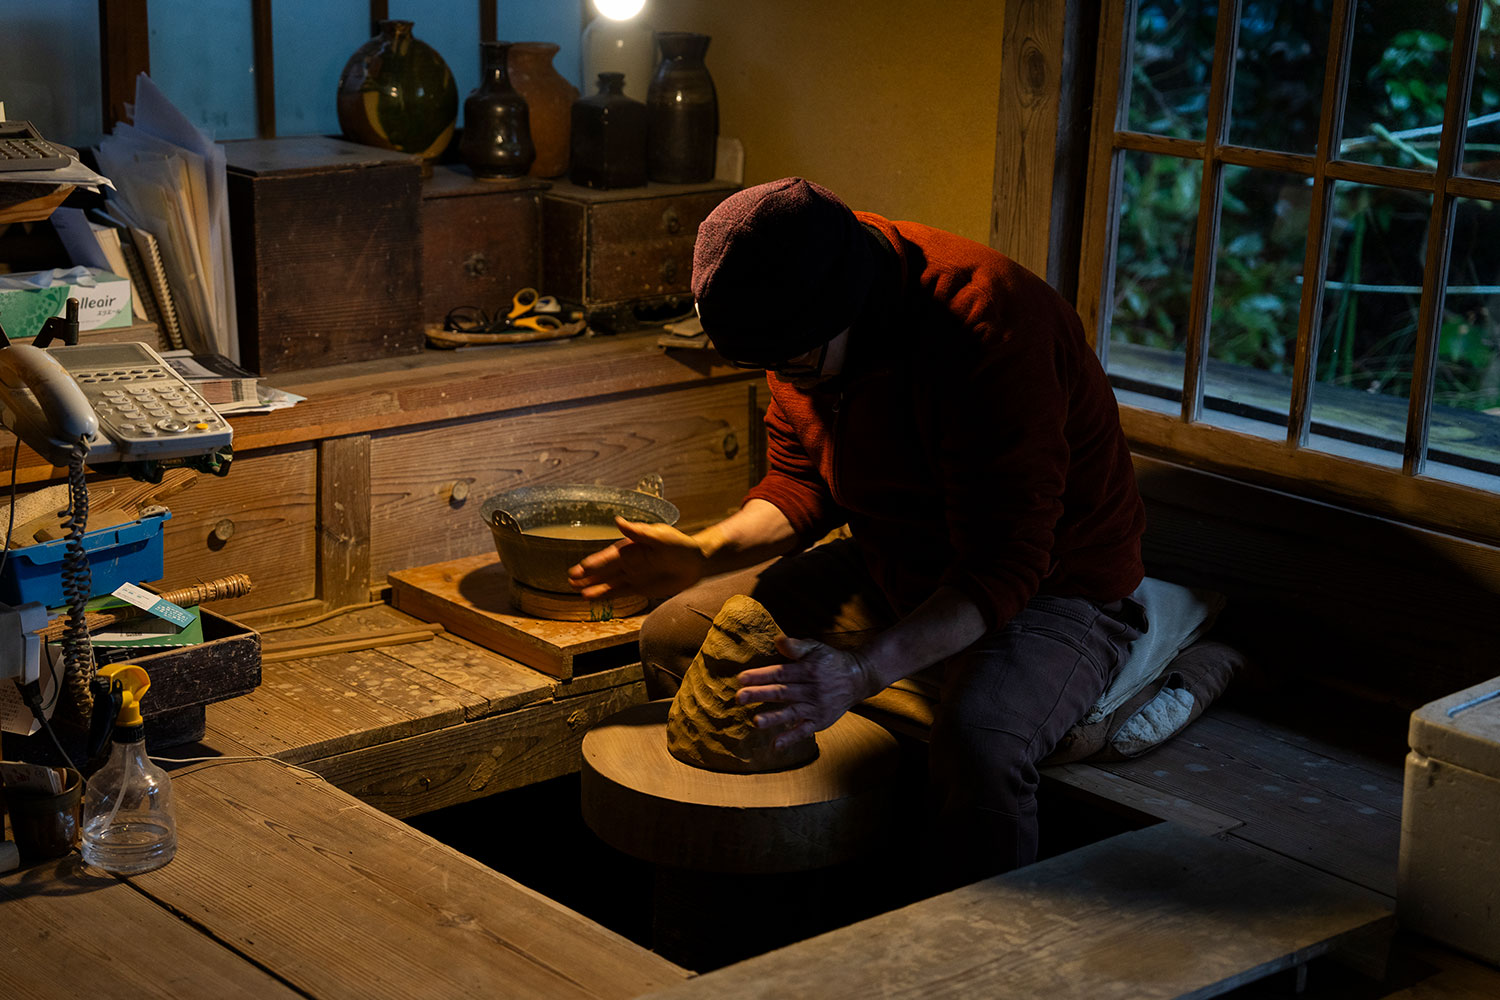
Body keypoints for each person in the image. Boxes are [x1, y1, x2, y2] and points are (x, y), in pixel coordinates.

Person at [568, 177, 1147, 886]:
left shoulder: (989, 330)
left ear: (852, 307)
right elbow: (803, 485)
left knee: (980, 746)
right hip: (892, 555)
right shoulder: (799, 309)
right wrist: (702, 553)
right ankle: (751, 871)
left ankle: (986, 958)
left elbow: (1002, 567)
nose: (787, 380)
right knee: (675, 633)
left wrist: (861, 671)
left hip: (1053, 584)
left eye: (796, 361)